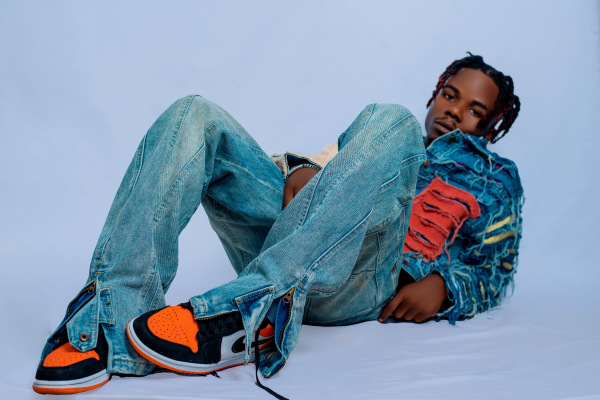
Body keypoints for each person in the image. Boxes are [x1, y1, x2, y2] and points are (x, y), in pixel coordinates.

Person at [32, 53, 523, 396]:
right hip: (297, 252)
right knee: (194, 113)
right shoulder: (381, 145)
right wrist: (298, 168)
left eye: (474, 110)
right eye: (450, 96)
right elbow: (319, 179)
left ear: (491, 125)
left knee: (393, 121)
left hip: (365, 282)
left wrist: (444, 286)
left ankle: (246, 311)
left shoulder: (495, 178)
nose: (455, 111)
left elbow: (495, 269)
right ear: (435, 94)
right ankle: (109, 314)